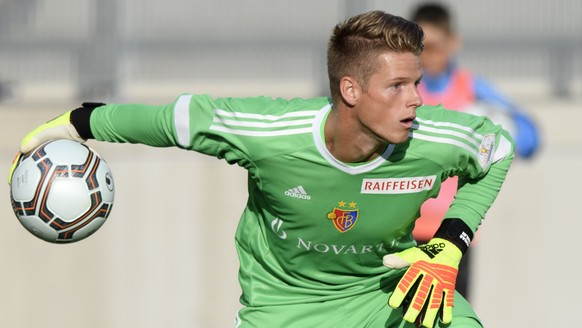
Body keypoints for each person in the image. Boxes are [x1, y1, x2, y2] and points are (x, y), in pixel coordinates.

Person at [8, 10, 514, 328]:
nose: (416, 100)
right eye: (397, 87)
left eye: (417, 83)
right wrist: (79, 122)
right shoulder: (269, 131)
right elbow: (168, 121)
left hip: (389, 299)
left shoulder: (436, 136)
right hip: (284, 311)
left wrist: (452, 238)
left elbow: (499, 150)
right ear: (351, 91)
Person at [410, 2, 540, 300]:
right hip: (399, 228)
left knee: (448, 316)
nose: (427, 57)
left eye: (435, 47)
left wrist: (495, 143)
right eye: (421, 48)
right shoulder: (404, 87)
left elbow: (530, 136)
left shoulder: (471, 89)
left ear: (453, 43)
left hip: (454, 231)